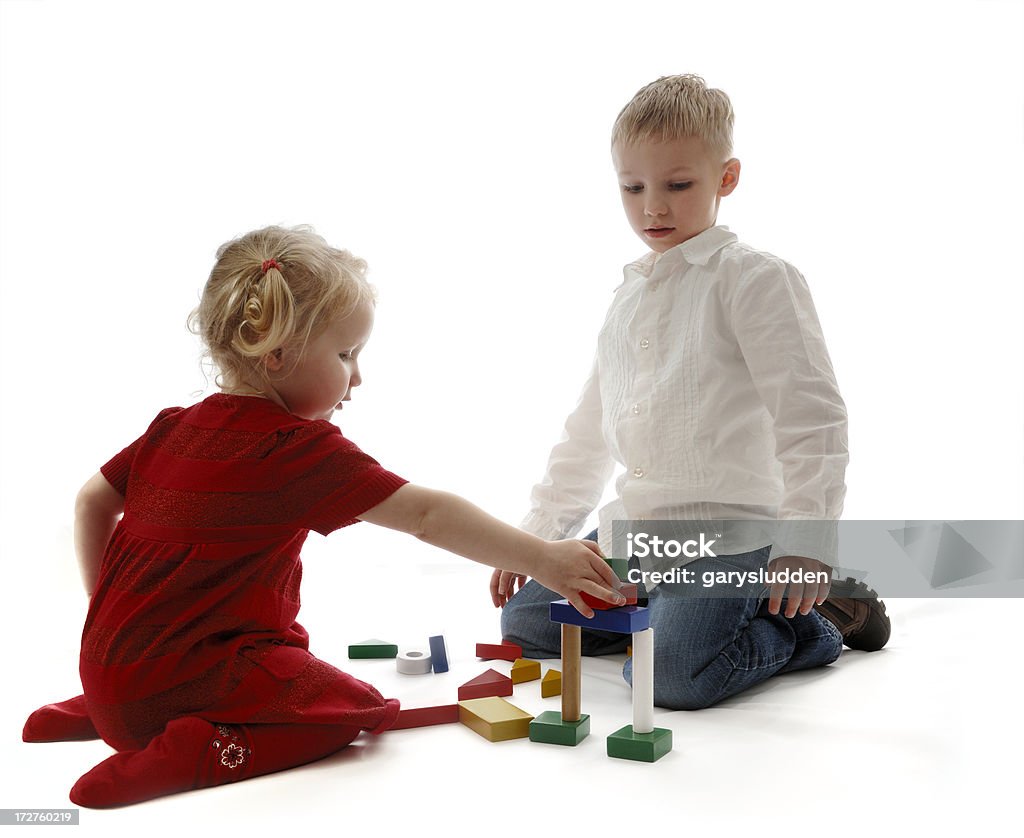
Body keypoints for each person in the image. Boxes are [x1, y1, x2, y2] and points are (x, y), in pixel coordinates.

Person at [22, 225, 624, 808]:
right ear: (278, 354)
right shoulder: (294, 449)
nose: (356, 377)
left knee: (282, 645)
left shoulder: (172, 427)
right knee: (353, 711)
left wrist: (116, 616)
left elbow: (90, 501)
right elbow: (425, 514)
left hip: (109, 673)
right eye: (344, 354)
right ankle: (196, 750)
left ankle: (111, 704)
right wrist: (544, 557)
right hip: (172, 687)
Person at [493, 74, 890, 711]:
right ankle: (682, 611)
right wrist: (539, 535)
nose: (653, 207)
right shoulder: (627, 298)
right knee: (530, 624)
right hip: (643, 534)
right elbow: (588, 430)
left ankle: (825, 620)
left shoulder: (757, 280)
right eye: (633, 187)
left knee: (670, 678)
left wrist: (805, 547)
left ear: (725, 179)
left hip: (731, 535)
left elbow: (812, 419)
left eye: (678, 185)